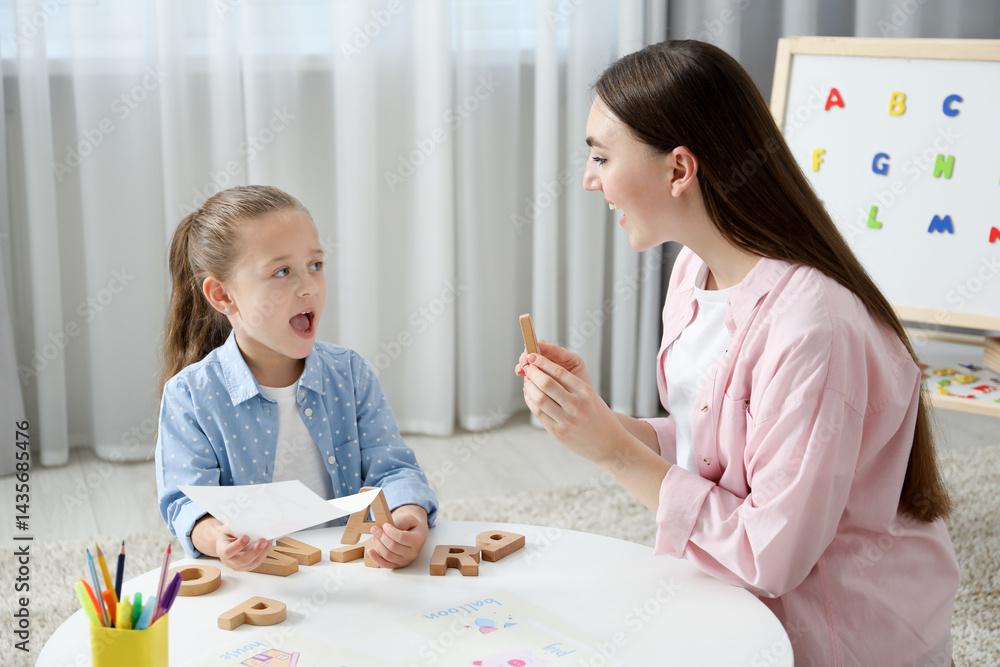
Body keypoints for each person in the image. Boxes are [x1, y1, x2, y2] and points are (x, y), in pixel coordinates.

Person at [516, 41, 958, 667]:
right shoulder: (695, 272)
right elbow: (720, 447)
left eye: (601, 156)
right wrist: (596, 420)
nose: (591, 178)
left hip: (840, 637)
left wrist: (614, 452)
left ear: (678, 170)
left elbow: (771, 556)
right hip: (735, 603)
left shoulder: (813, 325)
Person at [156, 185, 437, 571]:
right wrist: (216, 536)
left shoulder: (350, 374)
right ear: (223, 296)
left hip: (348, 573)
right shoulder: (190, 395)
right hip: (256, 579)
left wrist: (410, 516)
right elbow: (185, 503)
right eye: (282, 271)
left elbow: (392, 469)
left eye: (316, 266)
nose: (308, 287)